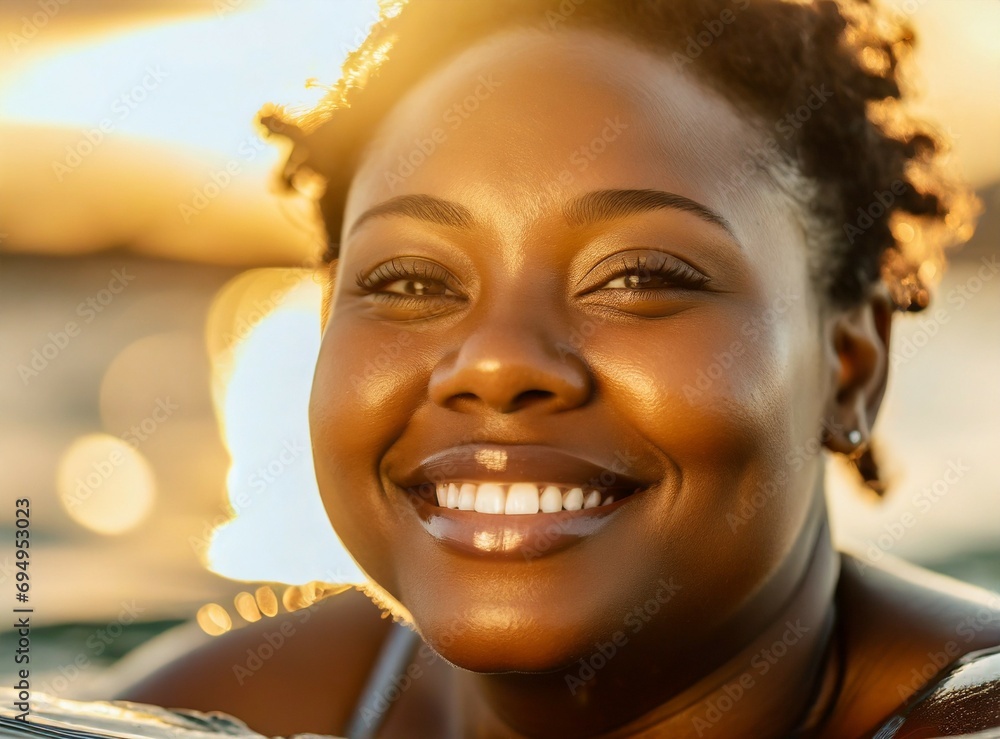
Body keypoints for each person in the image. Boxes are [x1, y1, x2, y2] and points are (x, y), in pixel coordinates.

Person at [117, 0, 1000, 736]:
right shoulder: (209, 708)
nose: (498, 361)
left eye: (642, 276)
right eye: (412, 279)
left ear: (850, 367)